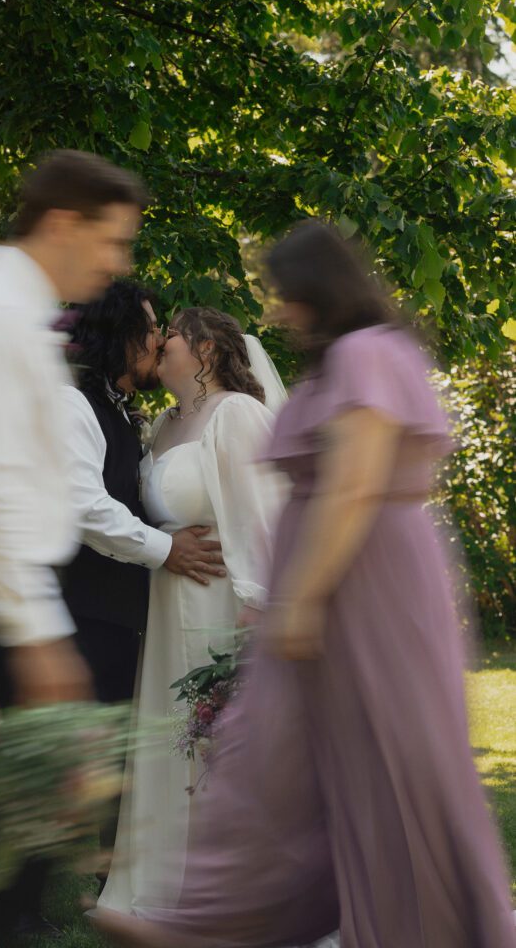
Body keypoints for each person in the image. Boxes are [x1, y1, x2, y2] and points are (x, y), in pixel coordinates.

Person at [93, 221, 516, 948]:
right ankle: (225, 922)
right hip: (326, 584)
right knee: (288, 758)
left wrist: (298, 600)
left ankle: (427, 928)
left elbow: (351, 487)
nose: (277, 313)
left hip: (364, 584)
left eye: (284, 297)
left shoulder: (366, 354)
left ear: (319, 292)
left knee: (384, 762)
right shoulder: (335, 368)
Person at [0, 149, 147, 938]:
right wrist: (37, 639)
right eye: (112, 242)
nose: (118, 264)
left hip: (8, 608)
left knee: (12, 853)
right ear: (62, 223)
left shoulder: (17, 313)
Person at [98, 307, 286, 916]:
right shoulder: (163, 426)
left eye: (170, 334)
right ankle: (163, 883)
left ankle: (236, 893)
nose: (159, 343)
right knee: (170, 736)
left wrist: (256, 617)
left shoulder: (237, 414)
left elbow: (265, 519)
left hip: (222, 603)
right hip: (168, 597)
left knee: (216, 740)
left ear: (204, 349)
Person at [62, 279, 226, 706]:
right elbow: (85, 506)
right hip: (78, 626)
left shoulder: (124, 416)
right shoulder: (72, 404)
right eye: (153, 329)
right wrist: (167, 547)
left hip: (119, 624)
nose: (160, 342)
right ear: (121, 332)